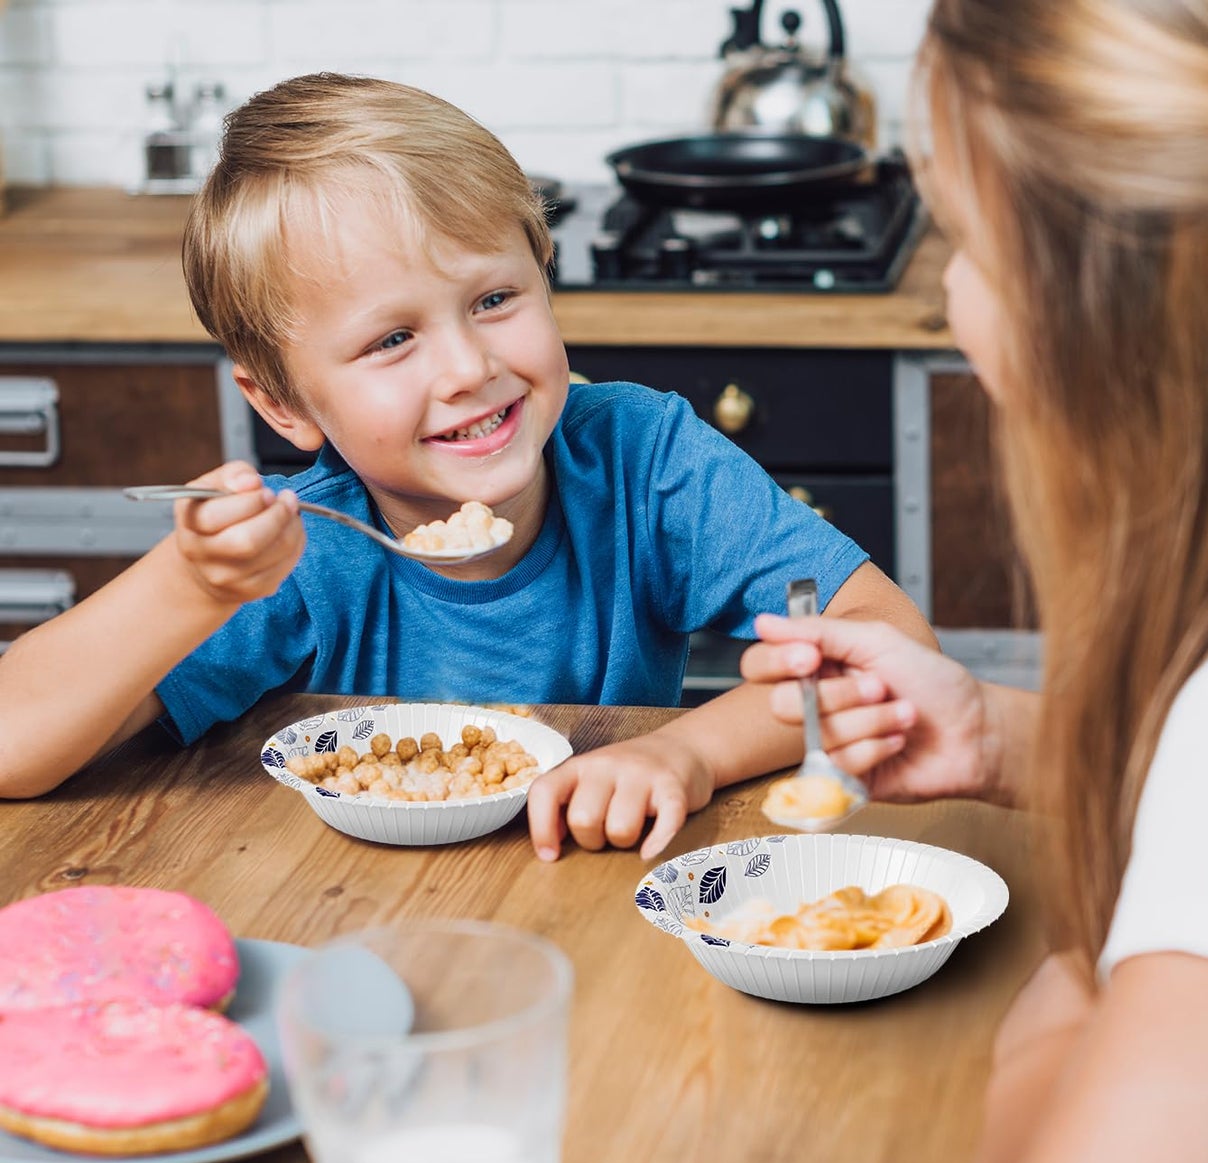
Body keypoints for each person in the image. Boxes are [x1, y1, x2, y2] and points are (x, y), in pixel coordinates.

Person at [742, 0, 1208, 1163]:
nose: (945, 286)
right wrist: (1009, 733)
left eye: (959, 237)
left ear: (1096, 320)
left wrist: (1060, 1018)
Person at [0, 73, 934, 862]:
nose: (468, 368)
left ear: (545, 270)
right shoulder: (304, 552)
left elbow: (889, 651)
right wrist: (186, 586)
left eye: (493, 297)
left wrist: (687, 752)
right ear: (282, 403)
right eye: (392, 338)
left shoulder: (643, 460)